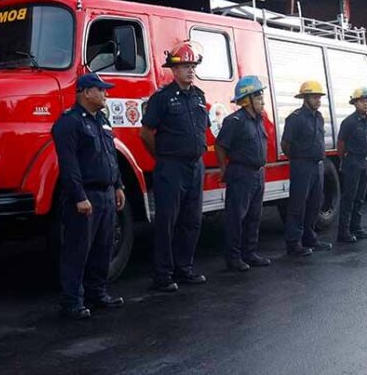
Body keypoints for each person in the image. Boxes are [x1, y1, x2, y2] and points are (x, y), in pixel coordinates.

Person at [52, 73, 126, 320]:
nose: (106, 93)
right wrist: (78, 196)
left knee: (103, 249)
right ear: (86, 92)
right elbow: (69, 165)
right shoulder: (69, 123)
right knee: (78, 250)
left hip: (106, 193)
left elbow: (110, 156)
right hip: (85, 196)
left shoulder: (102, 120)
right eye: (101, 90)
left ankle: (97, 293)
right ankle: (72, 301)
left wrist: (118, 185)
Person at [140, 41, 210, 292]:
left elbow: (203, 131)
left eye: (193, 66)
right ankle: (163, 274)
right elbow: (146, 133)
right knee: (167, 222)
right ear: (174, 70)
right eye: (185, 66)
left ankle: (185, 269)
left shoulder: (199, 97)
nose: (190, 71)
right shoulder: (162, 98)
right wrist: (162, 157)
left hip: (195, 166)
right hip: (171, 167)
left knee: (192, 221)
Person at [215, 76, 271, 271]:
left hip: (257, 174)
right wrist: (224, 169)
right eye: (258, 97)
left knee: (254, 216)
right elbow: (221, 146)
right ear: (246, 99)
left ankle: (250, 253)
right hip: (241, 173)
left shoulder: (258, 120)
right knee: (236, 217)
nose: (263, 101)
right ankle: (233, 257)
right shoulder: (235, 121)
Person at [281, 80, 333, 256]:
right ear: (305, 98)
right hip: (301, 165)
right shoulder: (295, 118)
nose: (318, 100)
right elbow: (286, 144)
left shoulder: (318, 117)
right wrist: (298, 159)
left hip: (317, 165)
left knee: (314, 203)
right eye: (314, 97)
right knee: (298, 205)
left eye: (319, 96)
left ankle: (309, 238)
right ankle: (293, 242)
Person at [335, 87, 367, 243]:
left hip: (364, 161)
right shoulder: (349, 122)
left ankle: (356, 227)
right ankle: (343, 231)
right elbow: (341, 143)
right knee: (349, 198)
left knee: (360, 197)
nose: (366, 104)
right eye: (363, 101)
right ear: (355, 103)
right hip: (352, 161)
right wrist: (343, 160)